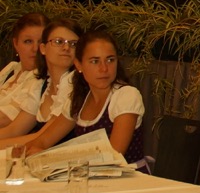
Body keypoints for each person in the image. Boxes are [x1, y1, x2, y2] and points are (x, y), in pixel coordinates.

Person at [27, 28, 148, 169]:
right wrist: (30, 151)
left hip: (129, 179)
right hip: (88, 177)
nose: (104, 69)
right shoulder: (80, 98)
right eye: (95, 61)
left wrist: (52, 158)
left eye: (110, 60)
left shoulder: (126, 95)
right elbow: (42, 142)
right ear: (79, 65)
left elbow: (114, 156)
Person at [0, 18, 83, 142]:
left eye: (73, 44)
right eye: (59, 42)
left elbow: (41, 139)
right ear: (43, 48)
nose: (66, 47)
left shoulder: (76, 84)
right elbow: (14, 130)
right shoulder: (40, 84)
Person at [0, 13, 48, 130]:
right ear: (16, 44)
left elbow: (5, 120)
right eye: (28, 41)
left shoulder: (42, 79)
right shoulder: (11, 69)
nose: (35, 48)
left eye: (41, 42)